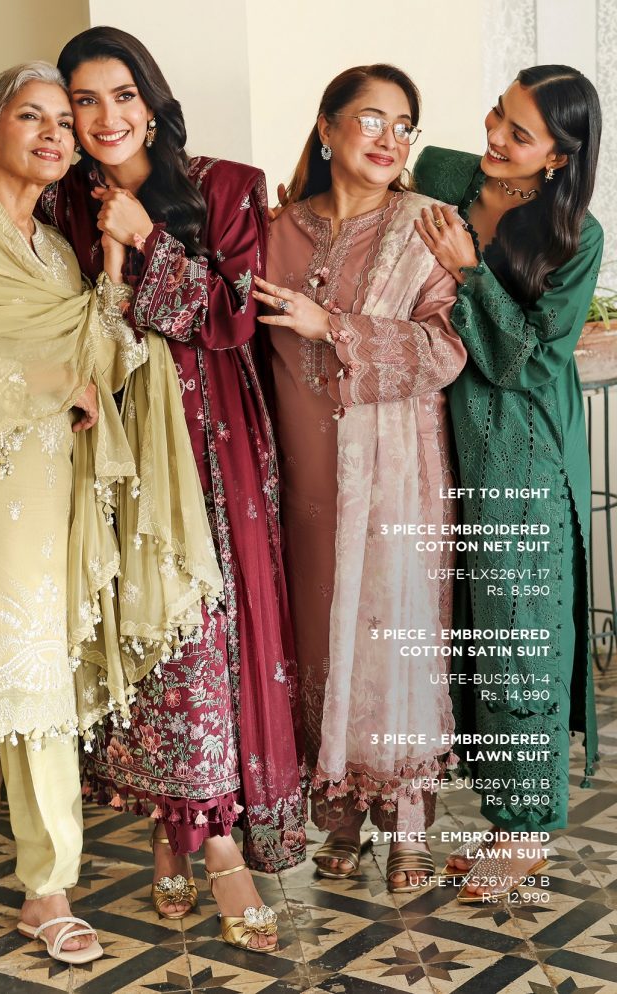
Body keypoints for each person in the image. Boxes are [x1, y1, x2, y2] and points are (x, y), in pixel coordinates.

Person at [0, 26, 304, 953]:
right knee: (3, 671)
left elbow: (215, 319)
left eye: (118, 97)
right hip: (42, 471)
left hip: (175, 459)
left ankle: (153, 857)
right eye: (75, 104)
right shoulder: (27, 207)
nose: (90, 121)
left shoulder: (195, 195)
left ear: (152, 102)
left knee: (136, 657)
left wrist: (140, 244)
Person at [253, 65, 466, 892]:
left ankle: (407, 821)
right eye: (372, 119)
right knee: (318, 637)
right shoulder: (274, 230)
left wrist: (332, 326)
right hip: (301, 479)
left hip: (397, 478)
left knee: (394, 632)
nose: (389, 139)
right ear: (326, 127)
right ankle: (338, 815)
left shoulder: (427, 227)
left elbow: (444, 351)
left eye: (403, 125)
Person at [412, 65, 602, 902]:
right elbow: (368, 184)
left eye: (519, 134)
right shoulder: (446, 175)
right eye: (497, 113)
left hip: (520, 455)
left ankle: (526, 835)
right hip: (441, 435)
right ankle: (502, 822)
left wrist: (471, 270)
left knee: (521, 637)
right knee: (476, 637)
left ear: (558, 157)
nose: (493, 136)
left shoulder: (576, 236)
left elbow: (531, 359)